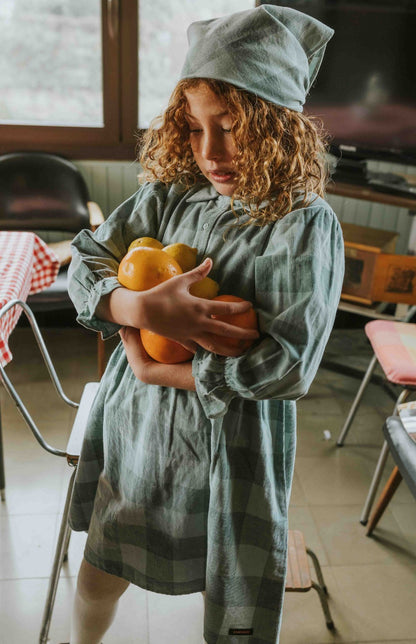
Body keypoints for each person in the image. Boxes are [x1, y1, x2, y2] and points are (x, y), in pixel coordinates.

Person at [66, 5, 344, 644]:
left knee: (232, 582)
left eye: (232, 127)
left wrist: (156, 364)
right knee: (106, 559)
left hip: (231, 444)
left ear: (279, 128)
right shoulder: (170, 196)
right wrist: (135, 309)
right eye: (193, 128)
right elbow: (88, 260)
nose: (210, 151)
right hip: (138, 426)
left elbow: (288, 365)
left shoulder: (303, 225)